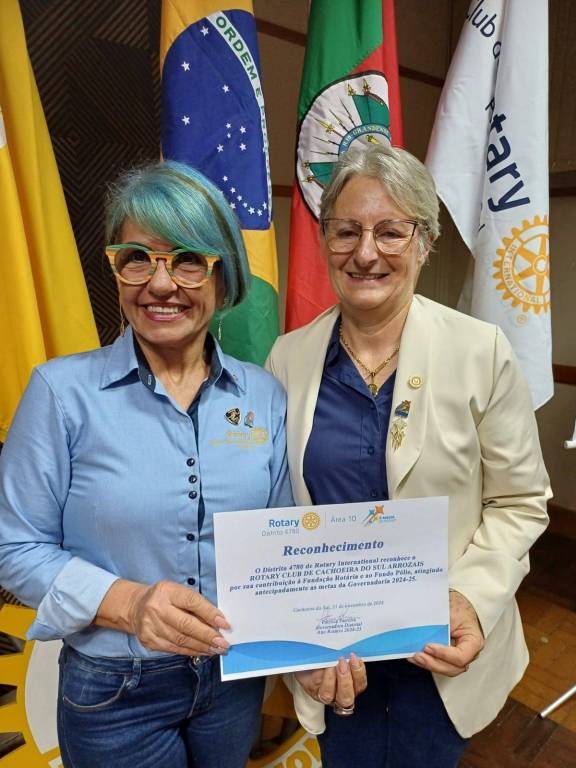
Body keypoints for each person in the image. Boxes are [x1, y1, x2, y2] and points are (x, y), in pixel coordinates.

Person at [0, 160, 293, 768]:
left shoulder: (265, 396)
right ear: (116, 271)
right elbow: (15, 548)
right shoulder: (61, 393)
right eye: (137, 258)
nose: (161, 285)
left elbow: (282, 542)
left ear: (223, 276)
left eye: (187, 261)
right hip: (115, 690)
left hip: (234, 679)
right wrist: (130, 604)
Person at [266, 144, 551, 768]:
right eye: (346, 231)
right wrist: (295, 633)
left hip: (440, 651)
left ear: (424, 243)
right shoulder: (288, 358)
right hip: (335, 657)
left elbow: (521, 502)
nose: (366, 253)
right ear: (324, 240)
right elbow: (277, 512)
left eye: (391, 231)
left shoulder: (482, 352)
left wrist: (470, 597)